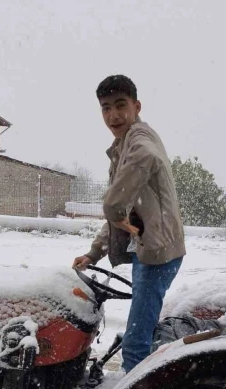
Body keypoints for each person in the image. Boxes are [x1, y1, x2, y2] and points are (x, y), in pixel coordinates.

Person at [73, 75, 185, 373]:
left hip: (158, 256)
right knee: (139, 331)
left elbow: (115, 205)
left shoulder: (139, 139)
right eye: (106, 108)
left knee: (136, 341)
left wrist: (113, 205)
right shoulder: (122, 146)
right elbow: (118, 218)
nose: (114, 115)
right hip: (145, 251)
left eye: (121, 105)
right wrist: (94, 253)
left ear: (136, 106)